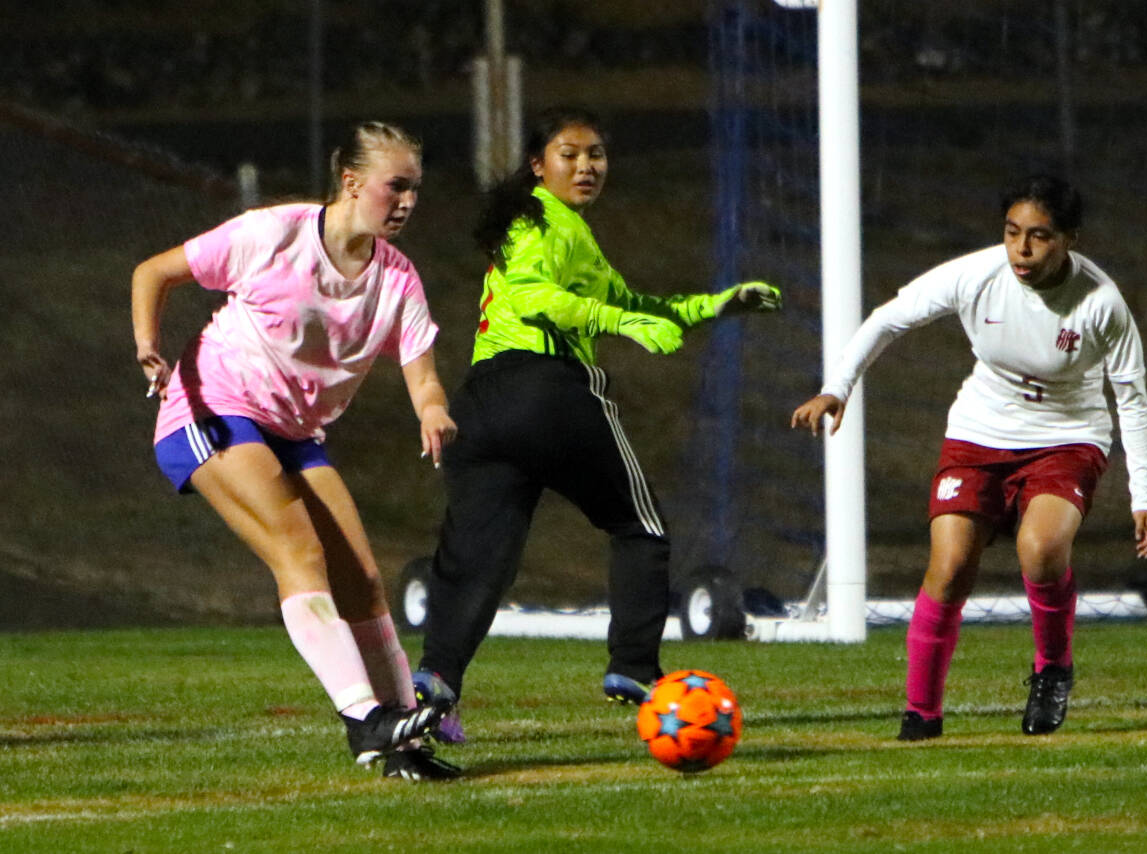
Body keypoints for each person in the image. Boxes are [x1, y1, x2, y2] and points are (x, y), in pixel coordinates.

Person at [412, 107, 781, 734]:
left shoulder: (568, 233)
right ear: (538, 165)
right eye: (570, 154)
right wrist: (620, 324)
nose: (587, 166)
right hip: (545, 391)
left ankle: (435, 686)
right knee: (641, 528)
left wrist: (719, 304)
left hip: (482, 405)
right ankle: (634, 668)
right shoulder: (538, 220)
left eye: (597, 155)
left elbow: (638, 304)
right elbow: (537, 296)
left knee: (478, 558)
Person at [132, 121, 460, 781]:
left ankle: (401, 737)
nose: (406, 202)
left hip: (292, 431)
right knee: (299, 551)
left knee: (363, 581)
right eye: (395, 186)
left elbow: (421, 372)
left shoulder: (396, 278)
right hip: (211, 408)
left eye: (414, 190)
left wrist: (432, 408)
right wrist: (147, 346)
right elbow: (155, 271)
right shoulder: (274, 234)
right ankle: (365, 719)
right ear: (350, 182)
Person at [791, 174, 1147, 740]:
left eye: (1039, 236)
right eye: (1013, 232)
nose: (1023, 249)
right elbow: (890, 318)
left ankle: (1053, 669)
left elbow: (1131, 399)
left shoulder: (1101, 302)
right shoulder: (978, 274)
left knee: (1039, 550)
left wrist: (1145, 497)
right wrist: (836, 387)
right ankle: (921, 715)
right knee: (950, 566)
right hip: (978, 435)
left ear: (1069, 240)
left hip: (1067, 437)